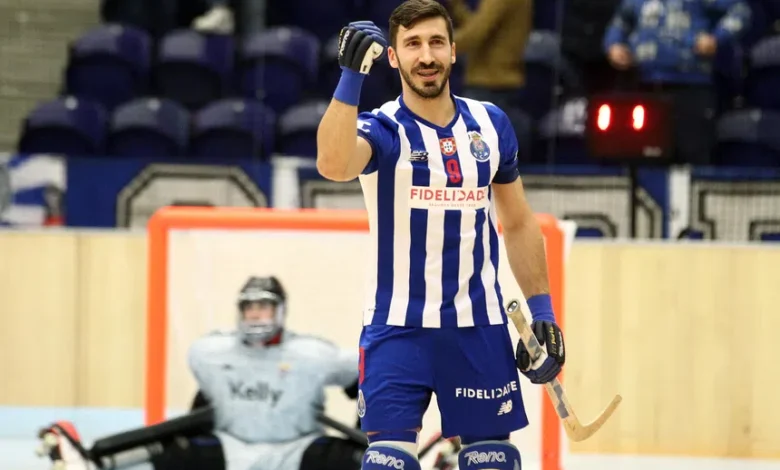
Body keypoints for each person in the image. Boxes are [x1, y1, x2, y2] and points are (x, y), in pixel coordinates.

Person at [315, 1, 567, 470]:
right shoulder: (383, 128)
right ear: (393, 57)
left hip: (479, 328)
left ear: (453, 51)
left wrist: (543, 314)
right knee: (387, 462)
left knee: (493, 462)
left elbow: (517, 223)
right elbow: (332, 164)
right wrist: (350, 76)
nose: (426, 55)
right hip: (397, 328)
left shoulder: (491, 123)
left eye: (435, 42)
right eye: (412, 44)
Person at [36, 276, 366, 470]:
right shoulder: (210, 353)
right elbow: (201, 405)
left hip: (297, 449)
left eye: (264, 307)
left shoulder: (314, 355)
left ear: (281, 311)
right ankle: (94, 462)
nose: (255, 315)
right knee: (175, 454)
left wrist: (366, 432)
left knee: (351, 460)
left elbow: (364, 378)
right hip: (232, 448)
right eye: (249, 307)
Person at [603, 0, 751, 164]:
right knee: (645, 157)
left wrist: (716, 38)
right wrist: (614, 44)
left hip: (690, 85)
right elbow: (621, 20)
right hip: (645, 86)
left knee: (691, 156)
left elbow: (740, 11)